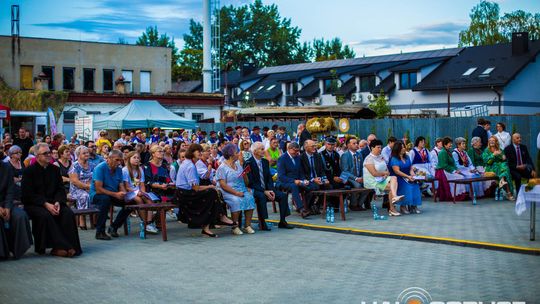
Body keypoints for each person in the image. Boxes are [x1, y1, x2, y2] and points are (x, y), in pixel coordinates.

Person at [21, 143, 82, 257]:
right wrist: (45, 204)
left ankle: (67, 246)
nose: (49, 155)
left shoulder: (54, 169)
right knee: (45, 215)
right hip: (35, 204)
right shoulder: (29, 171)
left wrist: (58, 202)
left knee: (67, 213)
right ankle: (63, 246)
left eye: (49, 152)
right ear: (37, 156)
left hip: (54, 202)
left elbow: (60, 189)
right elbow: (27, 194)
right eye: (45, 153)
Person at [174, 144, 233, 237]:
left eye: (201, 151)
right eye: (198, 151)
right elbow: (195, 188)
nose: (200, 153)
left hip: (184, 192)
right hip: (184, 194)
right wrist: (210, 187)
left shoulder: (189, 163)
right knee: (211, 193)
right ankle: (219, 218)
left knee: (212, 194)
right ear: (192, 152)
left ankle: (217, 220)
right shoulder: (190, 166)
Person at [245, 142, 292, 230]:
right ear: (255, 151)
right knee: (262, 196)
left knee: (282, 196)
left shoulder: (265, 162)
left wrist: (271, 190)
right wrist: (264, 191)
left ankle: (283, 221)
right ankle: (262, 222)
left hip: (267, 188)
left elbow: (269, 178)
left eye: (264, 148)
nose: (264, 151)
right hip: (255, 189)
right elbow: (251, 182)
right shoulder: (248, 163)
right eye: (261, 149)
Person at [90, 150, 131, 240]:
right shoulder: (100, 168)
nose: (119, 162)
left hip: (112, 194)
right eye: (117, 160)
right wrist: (116, 194)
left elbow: (120, 185)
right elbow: (98, 189)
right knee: (105, 200)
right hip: (98, 195)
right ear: (109, 159)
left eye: (120, 160)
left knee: (130, 203)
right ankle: (100, 232)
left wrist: (124, 194)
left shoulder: (119, 169)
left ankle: (114, 227)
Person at [216, 144, 256, 235]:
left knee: (249, 198)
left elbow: (246, 182)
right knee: (236, 201)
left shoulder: (238, 165)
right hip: (228, 191)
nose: (238, 154)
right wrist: (236, 193)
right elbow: (223, 185)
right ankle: (235, 226)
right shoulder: (222, 167)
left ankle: (247, 225)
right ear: (231, 155)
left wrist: (245, 174)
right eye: (236, 152)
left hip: (241, 189)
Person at [0, 161, 33, 260]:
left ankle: (17, 250)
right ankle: (2, 252)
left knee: (20, 216)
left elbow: (10, 190)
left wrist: (8, 208)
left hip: (6, 203)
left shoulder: (6, 167)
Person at [362, 139, 403, 216]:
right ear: (372, 148)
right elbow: (374, 173)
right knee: (392, 187)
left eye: (381, 147)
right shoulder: (368, 159)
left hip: (381, 179)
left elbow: (386, 169)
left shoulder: (381, 157)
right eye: (378, 147)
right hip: (372, 181)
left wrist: (386, 174)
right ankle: (392, 208)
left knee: (394, 178)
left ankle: (394, 198)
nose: (380, 149)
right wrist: (384, 173)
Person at [123, 151, 158, 234]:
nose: (136, 159)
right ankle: (144, 222)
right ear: (129, 159)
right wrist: (137, 192)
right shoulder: (125, 170)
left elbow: (142, 184)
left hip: (138, 191)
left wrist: (143, 193)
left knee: (149, 200)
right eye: (134, 158)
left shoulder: (140, 170)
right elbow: (126, 187)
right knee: (139, 200)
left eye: (138, 158)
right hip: (129, 193)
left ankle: (149, 223)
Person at [277, 142, 314, 218]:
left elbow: (301, 172)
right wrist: (294, 181)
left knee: (312, 186)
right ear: (289, 149)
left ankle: (308, 207)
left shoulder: (298, 158)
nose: (297, 152)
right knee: (294, 186)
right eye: (295, 151)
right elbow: (281, 176)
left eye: (298, 151)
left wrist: (304, 180)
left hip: (298, 181)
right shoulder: (282, 159)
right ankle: (301, 209)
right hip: (285, 182)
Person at [340, 137, 372, 211]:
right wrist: (356, 178)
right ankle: (353, 204)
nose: (356, 145)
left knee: (368, 184)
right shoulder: (345, 155)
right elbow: (345, 171)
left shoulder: (359, 154)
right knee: (357, 185)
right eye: (354, 143)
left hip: (358, 177)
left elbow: (361, 168)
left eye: (357, 143)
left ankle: (359, 204)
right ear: (348, 145)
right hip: (348, 177)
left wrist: (363, 177)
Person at [389, 141, 422, 214]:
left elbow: (410, 168)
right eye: (402, 147)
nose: (404, 149)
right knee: (407, 186)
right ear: (397, 149)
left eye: (404, 147)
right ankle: (403, 206)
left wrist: (412, 174)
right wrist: (408, 176)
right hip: (398, 178)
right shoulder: (394, 159)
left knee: (415, 185)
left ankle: (413, 205)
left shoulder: (406, 156)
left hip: (408, 176)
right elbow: (397, 171)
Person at [300, 140, 331, 214]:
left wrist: (324, 179)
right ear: (306, 147)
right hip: (307, 180)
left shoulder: (317, 156)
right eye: (312, 146)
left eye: (315, 146)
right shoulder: (301, 157)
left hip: (318, 179)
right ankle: (307, 207)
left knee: (329, 186)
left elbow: (321, 170)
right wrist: (313, 179)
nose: (315, 148)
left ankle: (317, 205)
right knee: (314, 187)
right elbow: (302, 173)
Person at [69, 146, 95, 229]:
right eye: (84, 153)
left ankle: (95, 220)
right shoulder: (75, 166)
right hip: (76, 189)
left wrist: (90, 186)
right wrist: (87, 186)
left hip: (90, 187)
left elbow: (95, 178)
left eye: (87, 152)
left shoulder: (92, 165)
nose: (87, 154)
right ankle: (82, 219)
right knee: (84, 196)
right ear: (78, 155)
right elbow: (75, 181)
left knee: (97, 195)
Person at [435, 137, 468, 201]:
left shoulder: (448, 152)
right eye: (449, 143)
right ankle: (456, 195)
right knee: (459, 177)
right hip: (443, 172)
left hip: (448, 170)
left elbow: (453, 163)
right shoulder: (442, 152)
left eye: (451, 143)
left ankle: (460, 194)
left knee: (462, 176)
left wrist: (457, 169)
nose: (451, 145)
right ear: (445, 144)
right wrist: (454, 171)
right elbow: (444, 165)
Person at [483, 136, 515, 200]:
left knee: (504, 166)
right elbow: (487, 162)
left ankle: (502, 181)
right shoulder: (486, 150)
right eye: (490, 140)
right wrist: (493, 155)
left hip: (501, 168)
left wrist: (503, 157)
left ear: (496, 142)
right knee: (503, 168)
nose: (491, 141)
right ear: (488, 142)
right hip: (491, 167)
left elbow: (504, 160)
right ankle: (509, 193)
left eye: (493, 140)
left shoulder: (500, 149)